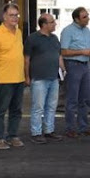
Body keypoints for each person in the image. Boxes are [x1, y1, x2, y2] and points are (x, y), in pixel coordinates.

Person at [0, 3, 25, 149]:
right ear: (4, 16)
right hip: (3, 79)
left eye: (16, 15)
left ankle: (12, 136)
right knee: (0, 111)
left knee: (16, 110)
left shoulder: (19, 32)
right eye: (11, 15)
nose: (15, 18)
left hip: (19, 78)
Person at [24, 13, 66, 144]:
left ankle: (49, 130)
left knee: (51, 106)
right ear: (44, 24)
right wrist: (27, 76)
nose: (55, 24)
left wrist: (63, 69)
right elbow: (26, 59)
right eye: (52, 22)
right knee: (38, 107)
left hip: (53, 78)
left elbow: (58, 56)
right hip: (39, 78)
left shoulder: (54, 38)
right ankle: (36, 133)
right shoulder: (32, 38)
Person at [61, 7, 90, 138]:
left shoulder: (87, 30)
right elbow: (64, 52)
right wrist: (82, 52)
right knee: (72, 99)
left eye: (87, 16)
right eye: (84, 17)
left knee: (85, 98)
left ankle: (83, 126)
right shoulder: (67, 31)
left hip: (84, 66)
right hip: (73, 65)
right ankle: (70, 128)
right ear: (76, 19)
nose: (88, 19)